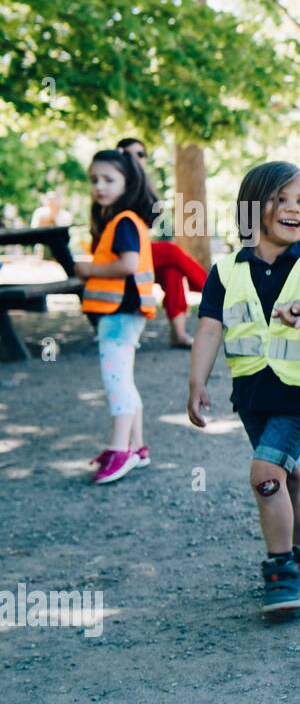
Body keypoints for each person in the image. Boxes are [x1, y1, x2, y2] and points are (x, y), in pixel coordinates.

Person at [187, 162, 300, 613]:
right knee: (288, 475)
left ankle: (281, 570)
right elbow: (210, 328)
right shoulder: (225, 271)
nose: (295, 208)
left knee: (265, 476)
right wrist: (197, 381)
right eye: (282, 199)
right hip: (252, 397)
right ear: (252, 208)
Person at [78, 150, 160, 484]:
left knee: (116, 383)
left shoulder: (123, 221)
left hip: (120, 312)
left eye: (109, 179)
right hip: (122, 313)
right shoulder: (122, 220)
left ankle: (120, 448)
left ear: (128, 183)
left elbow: (127, 265)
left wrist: (88, 269)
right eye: (94, 179)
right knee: (123, 379)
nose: (100, 186)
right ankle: (137, 447)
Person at [117, 137, 207, 348]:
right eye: (130, 155)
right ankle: (215, 291)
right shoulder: (113, 182)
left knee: (172, 272)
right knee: (170, 250)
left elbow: (151, 218)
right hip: (120, 252)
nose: (136, 159)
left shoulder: (143, 186)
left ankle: (179, 334)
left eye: (141, 154)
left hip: (138, 253)